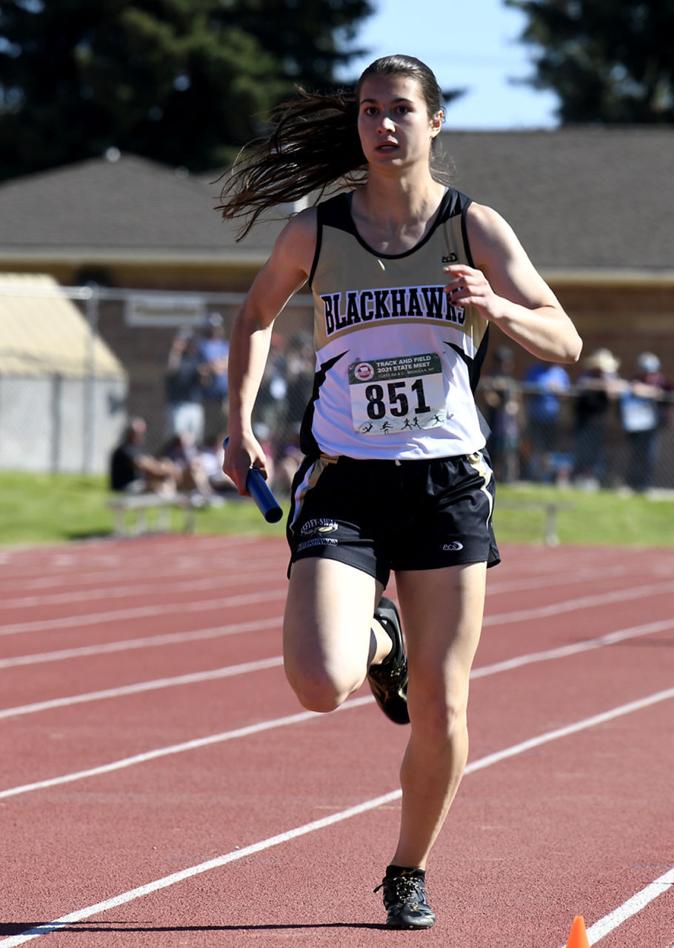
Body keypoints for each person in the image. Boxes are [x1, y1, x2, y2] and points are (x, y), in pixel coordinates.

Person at [216, 54, 581, 930]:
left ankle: (408, 867)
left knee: (444, 706)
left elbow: (564, 340)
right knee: (317, 679)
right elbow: (256, 316)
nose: (383, 125)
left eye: (401, 110)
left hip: (447, 487)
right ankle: (381, 645)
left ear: (435, 123)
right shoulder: (317, 231)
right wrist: (238, 427)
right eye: (370, 110)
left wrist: (496, 307)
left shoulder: (473, 229)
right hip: (344, 484)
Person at [619, 351, 674, 493]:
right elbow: (629, 389)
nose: (649, 375)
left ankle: (644, 485)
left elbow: (666, 393)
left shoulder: (661, 382)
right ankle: (633, 484)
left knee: (648, 456)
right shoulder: (635, 380)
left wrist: (647, 391)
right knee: (635, 456)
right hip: (636, 426)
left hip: (651, 426)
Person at [571, 348, 621, 488]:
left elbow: (614, 394)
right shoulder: (587, 376)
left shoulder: (609, 377)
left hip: (598, 421)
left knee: (595, 450)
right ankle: (580, 476)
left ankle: (590, 476)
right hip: (584, 420)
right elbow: (583, 385)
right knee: (583, 449)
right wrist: (600, 384)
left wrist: (606, 381)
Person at [522, 359, 570, 482]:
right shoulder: (535, 370)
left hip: (553, 418)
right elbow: (526, 390)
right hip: (536, 416)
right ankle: (533, 475)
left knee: (549, 449)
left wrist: (558, 390)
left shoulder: (560, 373)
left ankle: (546, 476)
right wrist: (542, 388)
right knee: (536, 446)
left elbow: (568, 394)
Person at [478, 346, 521, 482]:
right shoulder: (489, 380)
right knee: (491, 452)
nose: (507, 365)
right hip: (491, 423)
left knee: (510, 451)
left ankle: (509, 478)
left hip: (509, 424)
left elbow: (517, 401)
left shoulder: (511, 381)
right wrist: (502, 404)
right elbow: (490, 400)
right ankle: (492, 477)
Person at [108, 416, 179, 495]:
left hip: (140, 483)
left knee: (167, 480)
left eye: (142, 431)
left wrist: (166, 466)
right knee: (162, 486)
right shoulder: (124, 449)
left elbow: (153, 462)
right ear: (129, 432)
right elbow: (147, 467)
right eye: (138, 431)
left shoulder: (140, 448)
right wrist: (169, 471)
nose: (141, 434)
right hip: (126, 486)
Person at [163, 330, 206, 440]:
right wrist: (176, 350)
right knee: (176, 439)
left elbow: (204, 382)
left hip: (194, 404)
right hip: (178, 405)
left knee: (195, 439)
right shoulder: (175, 358)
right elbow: (170, 370)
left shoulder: (196, 359)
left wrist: (204, 374)